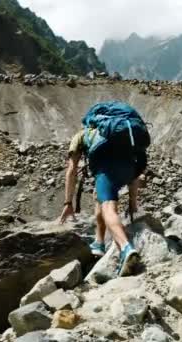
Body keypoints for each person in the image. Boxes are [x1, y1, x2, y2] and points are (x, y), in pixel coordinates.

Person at [59, 101, 149, 276]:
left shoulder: (82, 135)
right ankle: (99, 243)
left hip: (106, 168)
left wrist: (68, 202)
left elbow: (71, 171)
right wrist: (132, 202)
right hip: (130, 167)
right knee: (99, 196)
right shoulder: (123, 132)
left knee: (108, 206)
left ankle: (125, 248)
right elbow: (136, 174)